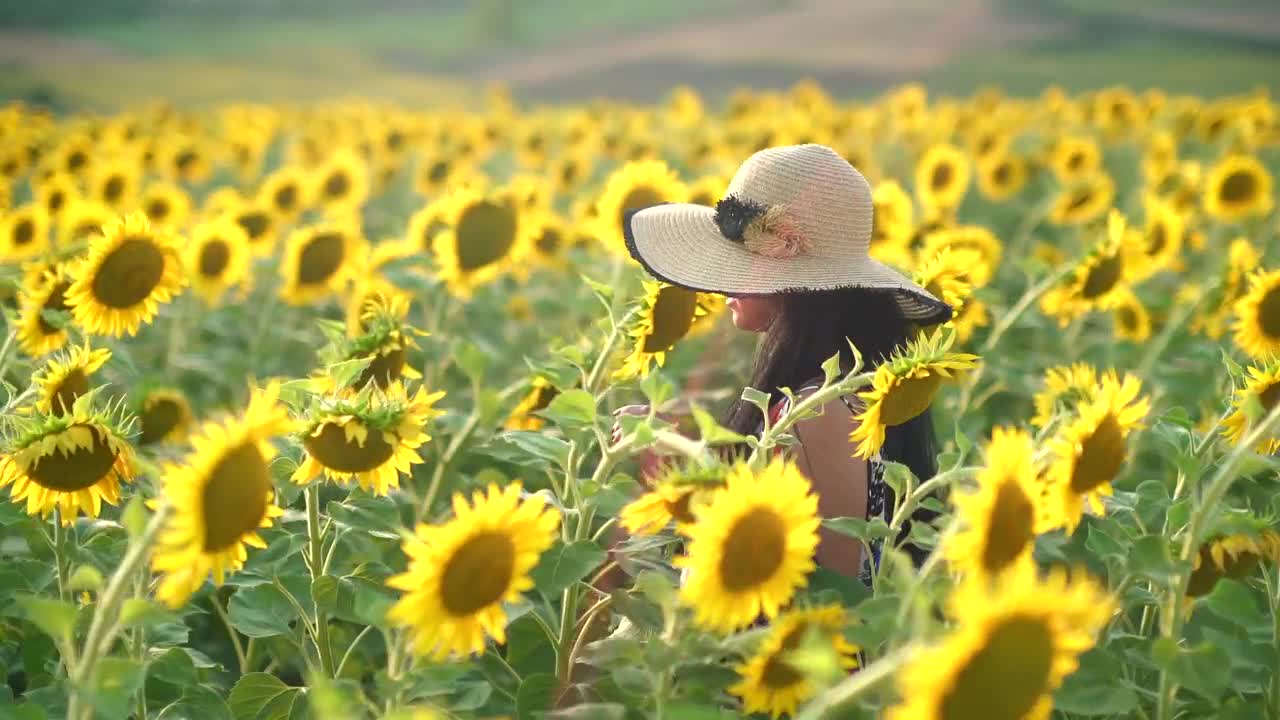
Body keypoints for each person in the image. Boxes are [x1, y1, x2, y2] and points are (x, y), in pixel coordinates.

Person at [618, 143, 952, 581]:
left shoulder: (818, 413)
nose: (722, 285)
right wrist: (683, 462)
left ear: (796, 284)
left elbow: (832, 595)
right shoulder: (822, 398)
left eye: (742, 262)